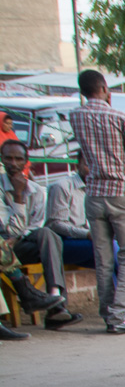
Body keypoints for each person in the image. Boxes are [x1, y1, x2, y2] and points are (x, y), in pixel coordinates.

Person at [68, 69, 125, 334]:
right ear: (104, 88)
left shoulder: (75, 116)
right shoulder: (120, 117)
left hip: (94, 193)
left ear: (82, 91)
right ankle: (118, 316)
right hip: (121, 191)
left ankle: (107, 313)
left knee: (102, 257)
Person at [45, 150, 125, 321]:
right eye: (88, 164)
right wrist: (87, 234)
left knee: (116, 254)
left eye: (97, 165)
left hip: (95, 243)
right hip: (66, 244)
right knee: (110, 250)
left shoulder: (102, 189)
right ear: (76, 165)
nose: (93, 169)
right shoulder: (63, 187)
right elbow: (55, 224)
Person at [0, 139, 80, 328]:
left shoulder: (36, 190)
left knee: (48, 234)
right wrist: (18, 197)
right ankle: (57, 308)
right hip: (5, 250)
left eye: (18, 159)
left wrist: (18, 235)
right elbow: (9, 230)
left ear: (26, 162)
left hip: (21, 243)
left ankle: (55, 300)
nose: (13, 163)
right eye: (8, 158)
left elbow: (34, 226)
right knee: (49, 239)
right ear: (2, 160)